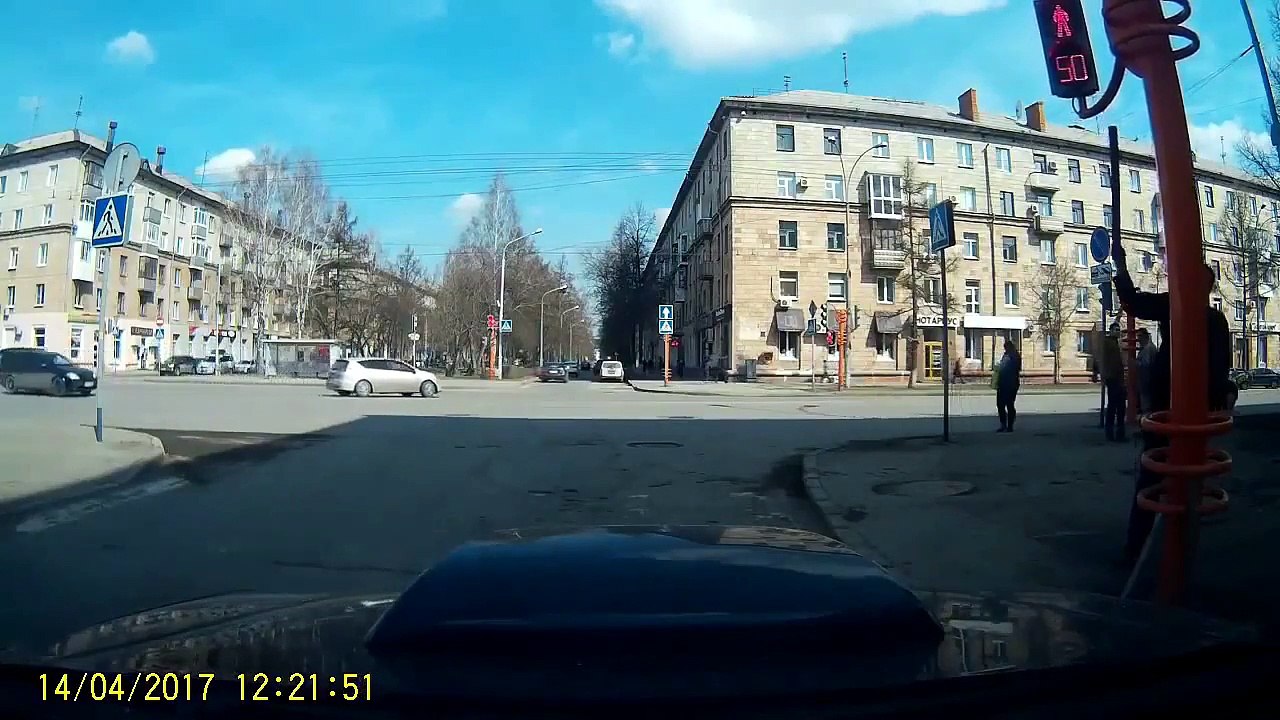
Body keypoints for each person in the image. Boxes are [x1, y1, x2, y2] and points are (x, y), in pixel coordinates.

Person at [1112, 243, 1233, 563]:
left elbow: (1134, 302)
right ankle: (1175, 542)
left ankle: (1137, 549)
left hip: (1169, 410)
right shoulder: (1215, 320)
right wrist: (1221, 397)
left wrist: (1121, 270)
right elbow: (1222, 368)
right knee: (1184, 478)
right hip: (1194, 412)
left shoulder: (1176, 306)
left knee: (1153, 475)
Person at [1100, 323, 1127, 442]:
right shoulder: (1108, 343)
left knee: (1120, 407)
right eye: (1115, 330)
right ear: (1110, 331)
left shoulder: (1117, 343)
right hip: (1113, 378)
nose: (1117, 331)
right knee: (1113, 406)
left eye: (1118, 330)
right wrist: (1104, 375)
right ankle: (1111, 433)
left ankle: (1118, 433)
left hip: (1118, 378)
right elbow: (1104, 360)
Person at [995, 339, 1021, 432]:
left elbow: (1012, 369)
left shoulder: (1014, 356)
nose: (1005, 349)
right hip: (1003, 384)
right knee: (1001, 405)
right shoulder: (1007, 355)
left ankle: (1009, 426)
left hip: (1010, 384)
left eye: (1006, 347)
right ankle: (1004, 425)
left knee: (1009, 405)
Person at [1134, 328, 1156, 414]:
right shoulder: (1149, 347)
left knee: (1146, 404)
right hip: (1146, 380)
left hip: (1146, 380)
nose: (1138, 339)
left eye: (1140, 336)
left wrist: (1135, 363)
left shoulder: (1147, 349)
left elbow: (1146, 364)